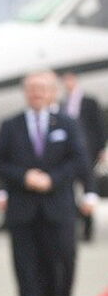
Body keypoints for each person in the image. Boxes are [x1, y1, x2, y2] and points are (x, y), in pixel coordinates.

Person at [0, 70, 88, 296]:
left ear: (52, 93)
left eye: (42, 88)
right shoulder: (11, 125)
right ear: (25, 93)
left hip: (57, 209)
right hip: (23, 211)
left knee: (55, 266)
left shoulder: (67, 124)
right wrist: (24, 177)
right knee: (25, 269)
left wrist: (52, 179)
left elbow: (79, 160)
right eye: (32, 89)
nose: (37, 93)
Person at [60, 71, 103, 242]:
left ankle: (88, 229)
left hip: (88, 152)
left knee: (88, 189)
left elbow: (99, 126)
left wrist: (102, 149)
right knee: (68, 190)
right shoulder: (62, 103)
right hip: (67, 153)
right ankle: (71, 226)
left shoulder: (89, 101)